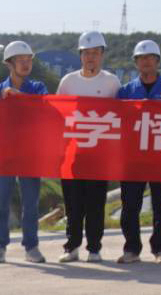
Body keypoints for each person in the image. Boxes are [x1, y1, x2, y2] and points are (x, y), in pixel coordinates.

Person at [0, 40, 48, 265]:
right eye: (20, 60)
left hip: (30, 157)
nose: (26, 64)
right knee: (0, 204)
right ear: (9, 64)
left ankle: (31, 247)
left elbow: (45, 111)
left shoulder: (38, 89)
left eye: (28, 60)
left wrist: (18, 96)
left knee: (31, 204)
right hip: (5, 156)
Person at [115, 39, 161, 263]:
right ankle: (131, 249)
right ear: (136, 62)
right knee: (130, 205)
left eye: (150, 58)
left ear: (157, 61)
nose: (146, 62)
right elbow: (117, 122)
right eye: (141, 58)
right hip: (132, 158)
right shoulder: (126, 91)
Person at [57, 31, 121, 263]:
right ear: (80, 55)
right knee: (73, 204)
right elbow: (58, 113)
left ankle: (94, 248)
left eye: (95, 53)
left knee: (95, 204)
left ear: (102, 55)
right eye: (86, 53)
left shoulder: (111, 82)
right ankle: (71, 246)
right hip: (73, 154)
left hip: (99, 155)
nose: (91, 57)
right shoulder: (68, 82)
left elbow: (121, 115)